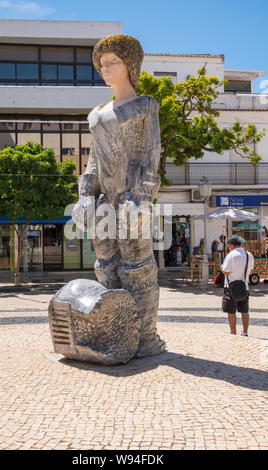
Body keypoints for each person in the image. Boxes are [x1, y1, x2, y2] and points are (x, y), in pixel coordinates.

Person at [72, 34, 165, 358]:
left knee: (137, 267)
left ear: (130, 65)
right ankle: (116, 331)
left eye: (113, 62)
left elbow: (152, 152)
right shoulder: (96, 114)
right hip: (103, 200)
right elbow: (94, 158)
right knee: (105, 266)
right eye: (102, 63)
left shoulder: (145, 106)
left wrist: (143, 197)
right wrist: (85, 195)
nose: (105, 68)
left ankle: (146, 336)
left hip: (131, 197)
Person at [221, 235, 254, 337]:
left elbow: (226, 272)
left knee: (231, 311)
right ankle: (245, 332)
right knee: (244, 311)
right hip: (244, 286)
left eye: (228, 246)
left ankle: (233, 333)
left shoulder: (231, 255)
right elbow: (251, 271)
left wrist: (221, 267)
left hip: (231, 286)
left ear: (231, 245)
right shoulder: (249, 255)